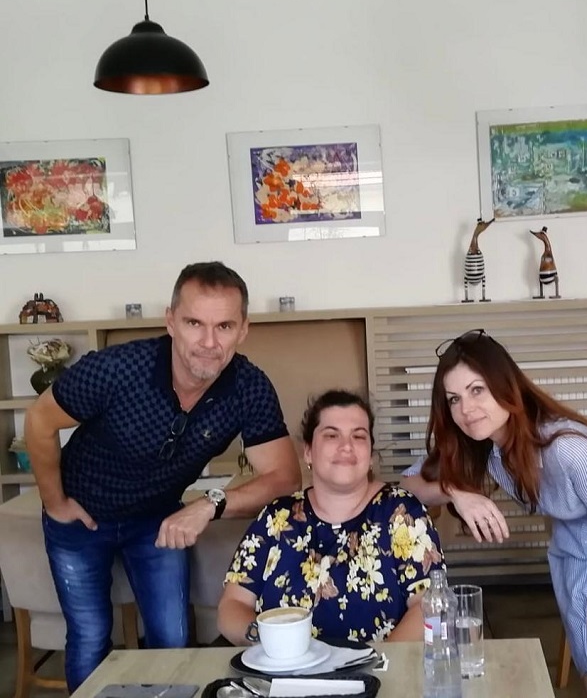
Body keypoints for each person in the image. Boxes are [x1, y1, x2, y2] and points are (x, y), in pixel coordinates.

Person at [25, 261, 301, 691]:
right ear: (171, 321)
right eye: (194, 323)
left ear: (243, 330)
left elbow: (285, 476)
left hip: (158, 519)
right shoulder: (117, 369)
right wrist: (55, 503)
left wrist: (209, 504)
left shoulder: (248, 386)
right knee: (90, 636)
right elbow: (39, 420)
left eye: (224, 326)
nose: (208, 342)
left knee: (172, 639)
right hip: (82, 514)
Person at [401, 329, 587, 698]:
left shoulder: (569, 448)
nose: (466, 409)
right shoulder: (483, 446)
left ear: (506, 386)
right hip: (582, 547)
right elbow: (406, 485)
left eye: (477, 390)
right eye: (454, 399)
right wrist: (457, 493)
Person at [217, 389, 443, 645]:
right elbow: (232, 605)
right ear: (308, 451)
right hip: (284, 667)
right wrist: (273, 646)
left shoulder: (402, 513)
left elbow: (429, 605)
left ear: (370, 456)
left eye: (358, 436)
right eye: (332, 435)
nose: (346, 446)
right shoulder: (276, 518)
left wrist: (378, 661)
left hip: (381, 668)